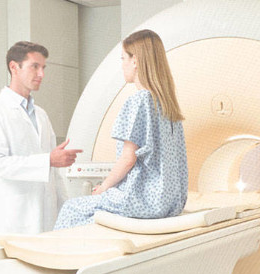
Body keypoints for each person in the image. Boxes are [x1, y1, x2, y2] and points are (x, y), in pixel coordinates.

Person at [54, 29, 188, 230]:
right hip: (169, 202)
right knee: (92, 217)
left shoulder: (139, 100)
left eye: (123, 58)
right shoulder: (168, 105)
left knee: (72, 208)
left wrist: (103, 188)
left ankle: (62, 260)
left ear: (135, 61)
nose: (122, 64)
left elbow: (128, 159)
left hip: (143, 200)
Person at [0, 41, 82, 248]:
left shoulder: (41, 115)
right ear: (14, 67)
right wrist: (48, 160)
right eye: (35, 66)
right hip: (13, 219)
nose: (41, 74)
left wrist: (67, 210)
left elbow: (55, 174)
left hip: (46, 217)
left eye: (43, 68)